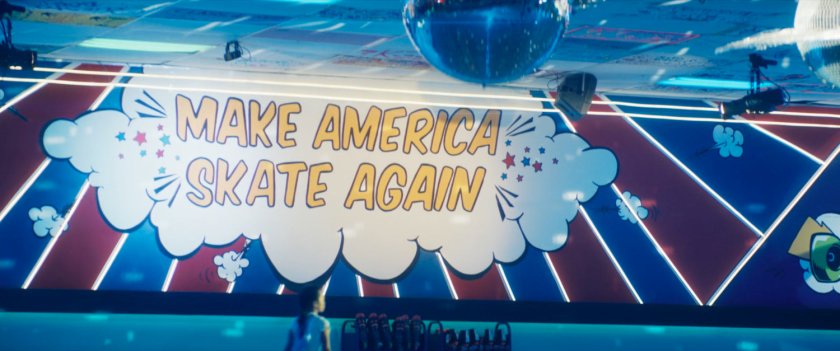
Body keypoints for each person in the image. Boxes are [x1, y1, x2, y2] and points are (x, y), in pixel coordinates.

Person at [284, 285, 331, 351]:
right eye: (322, 299)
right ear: (315, 303)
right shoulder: (322, 323)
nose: (324, 302)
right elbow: (326, 348)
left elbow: (288, 347)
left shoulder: (295, 321)